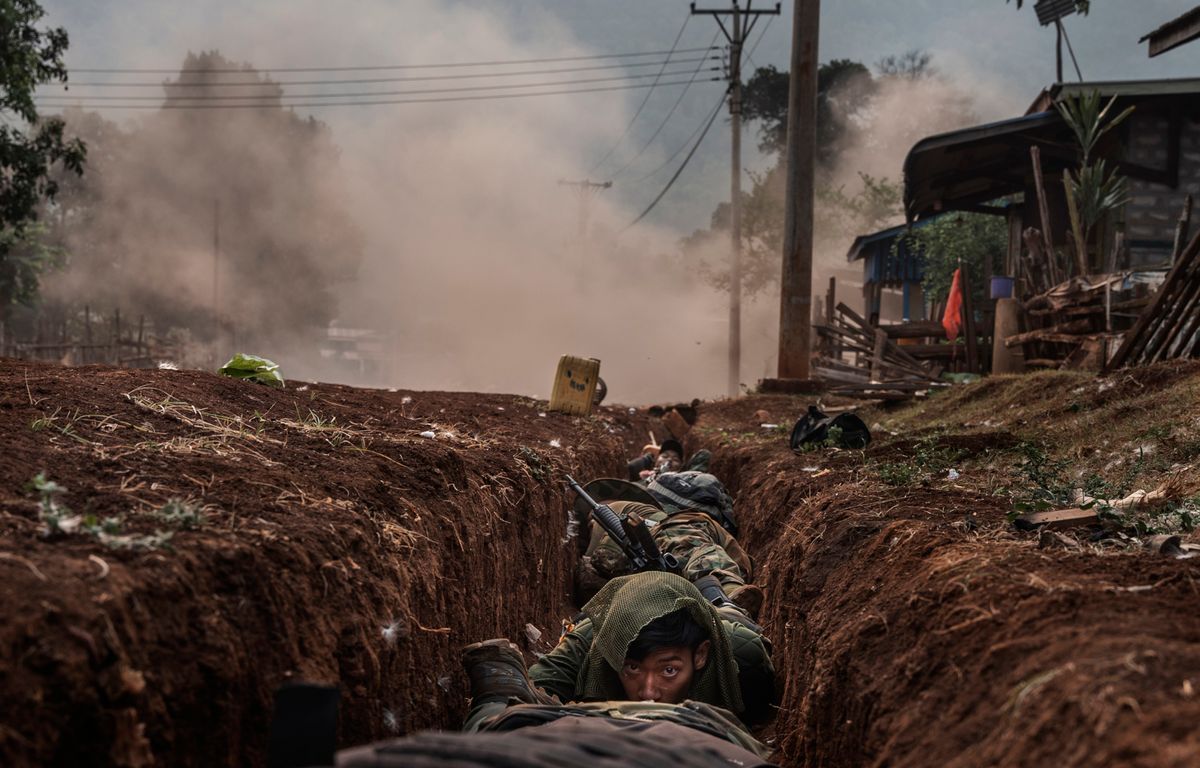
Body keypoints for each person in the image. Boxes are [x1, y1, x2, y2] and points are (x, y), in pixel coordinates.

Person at [462, 572, 775, 732]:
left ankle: (724, 600)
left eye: (669, 670)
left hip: (724, 625)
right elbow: (515, 695)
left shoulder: (742, 658)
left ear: (701, 655)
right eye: (633, 669)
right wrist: (490, 707)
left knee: (729, 615)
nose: (648, 693)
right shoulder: (591, 645)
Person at [573, 474, 762, 619]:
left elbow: (686, 542)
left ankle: (726, 596)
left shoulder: (655, 517)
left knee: (681, 539)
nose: (592, 520)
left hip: (711, 566)